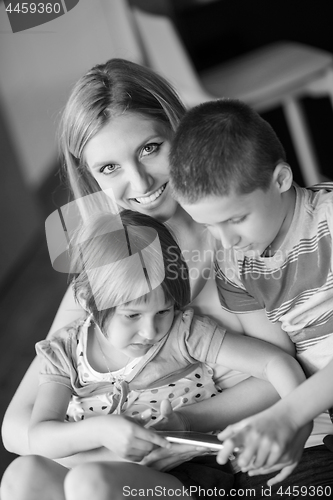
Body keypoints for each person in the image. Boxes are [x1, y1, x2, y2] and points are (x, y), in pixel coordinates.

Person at [0, 58, 326, 499]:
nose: (139, 180)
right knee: (27, 480)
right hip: (145, 463)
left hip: (230, 456)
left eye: (150, 148)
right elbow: (19, 427)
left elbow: (281, 371)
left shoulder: (243, 240)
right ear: (90, 175)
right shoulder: (113, 262)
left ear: (181, 131)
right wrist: (106, 443)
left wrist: (183, 425)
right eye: (108, 168)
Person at [24, 209, 307, 500]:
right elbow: (39, 437)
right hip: (91, 478)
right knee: (25, 474)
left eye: (162, 311)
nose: (150, 331)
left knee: (89, 482)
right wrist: (100, 431)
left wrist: (298, 418)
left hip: (187, 477)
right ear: (87, 301)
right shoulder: (65, 350)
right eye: (132, 315)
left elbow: (276, 362)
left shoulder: (183, 333)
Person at [168, 98, 333, 493]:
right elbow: (280, 360)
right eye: (209, 225)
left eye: (236, 218)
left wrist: (292, 415)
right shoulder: (234, 266)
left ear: (280, 180)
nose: (228, 241)